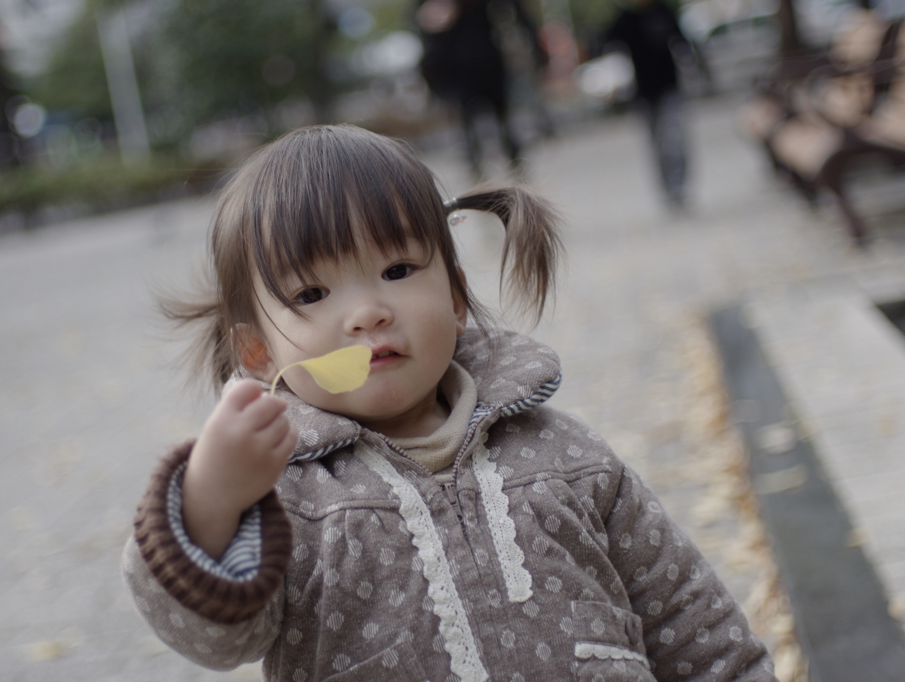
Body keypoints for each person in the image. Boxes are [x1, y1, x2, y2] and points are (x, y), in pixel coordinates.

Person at [122, 124, 777, 681]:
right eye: (313, 294)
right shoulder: (287, 499)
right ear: (260, 353)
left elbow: (687, 618)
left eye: (398, 271)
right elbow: (215, 639)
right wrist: (211, 500)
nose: (368, 313)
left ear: (457, 297)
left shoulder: (563, 452)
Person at [416, 0, 547, 180]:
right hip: (457, 67)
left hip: (488, 61)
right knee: (469, 127)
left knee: (502, 121)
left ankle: (515, 169)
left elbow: (518, 12)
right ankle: (479, 173)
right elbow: (423, 23)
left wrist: (538, 52)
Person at [603, 0, 694, 208]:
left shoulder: (663, 11)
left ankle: (678, 186)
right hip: (643, 94)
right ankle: (667, 187)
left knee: (673, 138)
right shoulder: (625, 19)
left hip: (669, 88)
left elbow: (682, 42)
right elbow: (605, 44)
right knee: (657, 143)